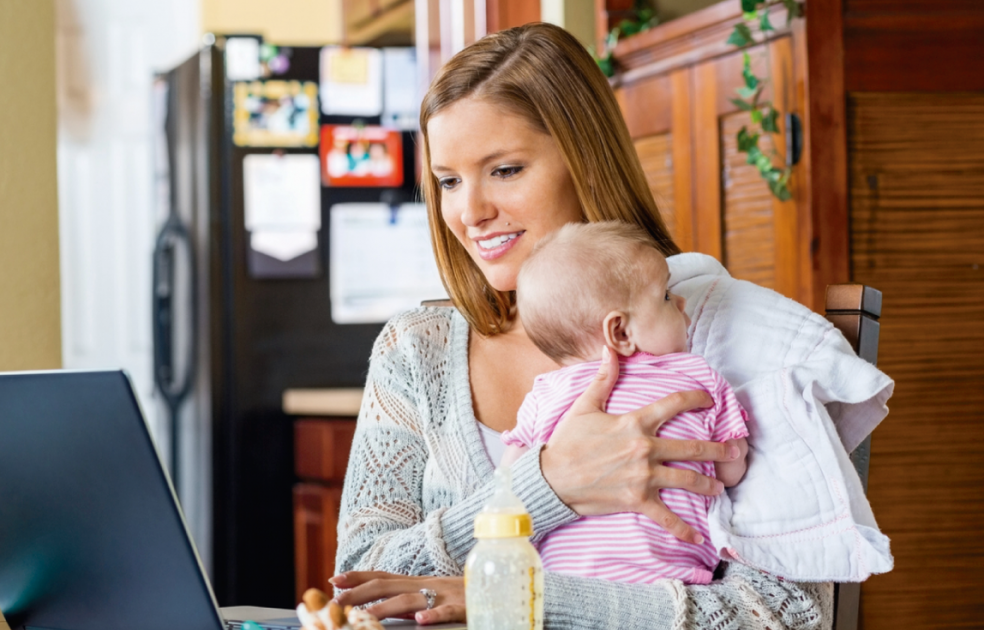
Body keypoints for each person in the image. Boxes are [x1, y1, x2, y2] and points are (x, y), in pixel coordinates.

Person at [331, 22, 878, 629]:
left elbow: (788, 614)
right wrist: (546, 487)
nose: (469, 212)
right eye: (449, 181)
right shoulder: (417, 351)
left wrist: (516, 602)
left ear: (585, 161)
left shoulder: (722, 335)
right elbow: (359, 578)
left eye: (506, 170)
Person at [499, 221, 748, 586]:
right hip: (672, 583)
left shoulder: (545, 393)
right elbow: (732, 469)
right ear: (620, 332)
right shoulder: (697, 376)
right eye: (665, 296)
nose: (681, 302)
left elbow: (510, 480)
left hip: (561, 586)